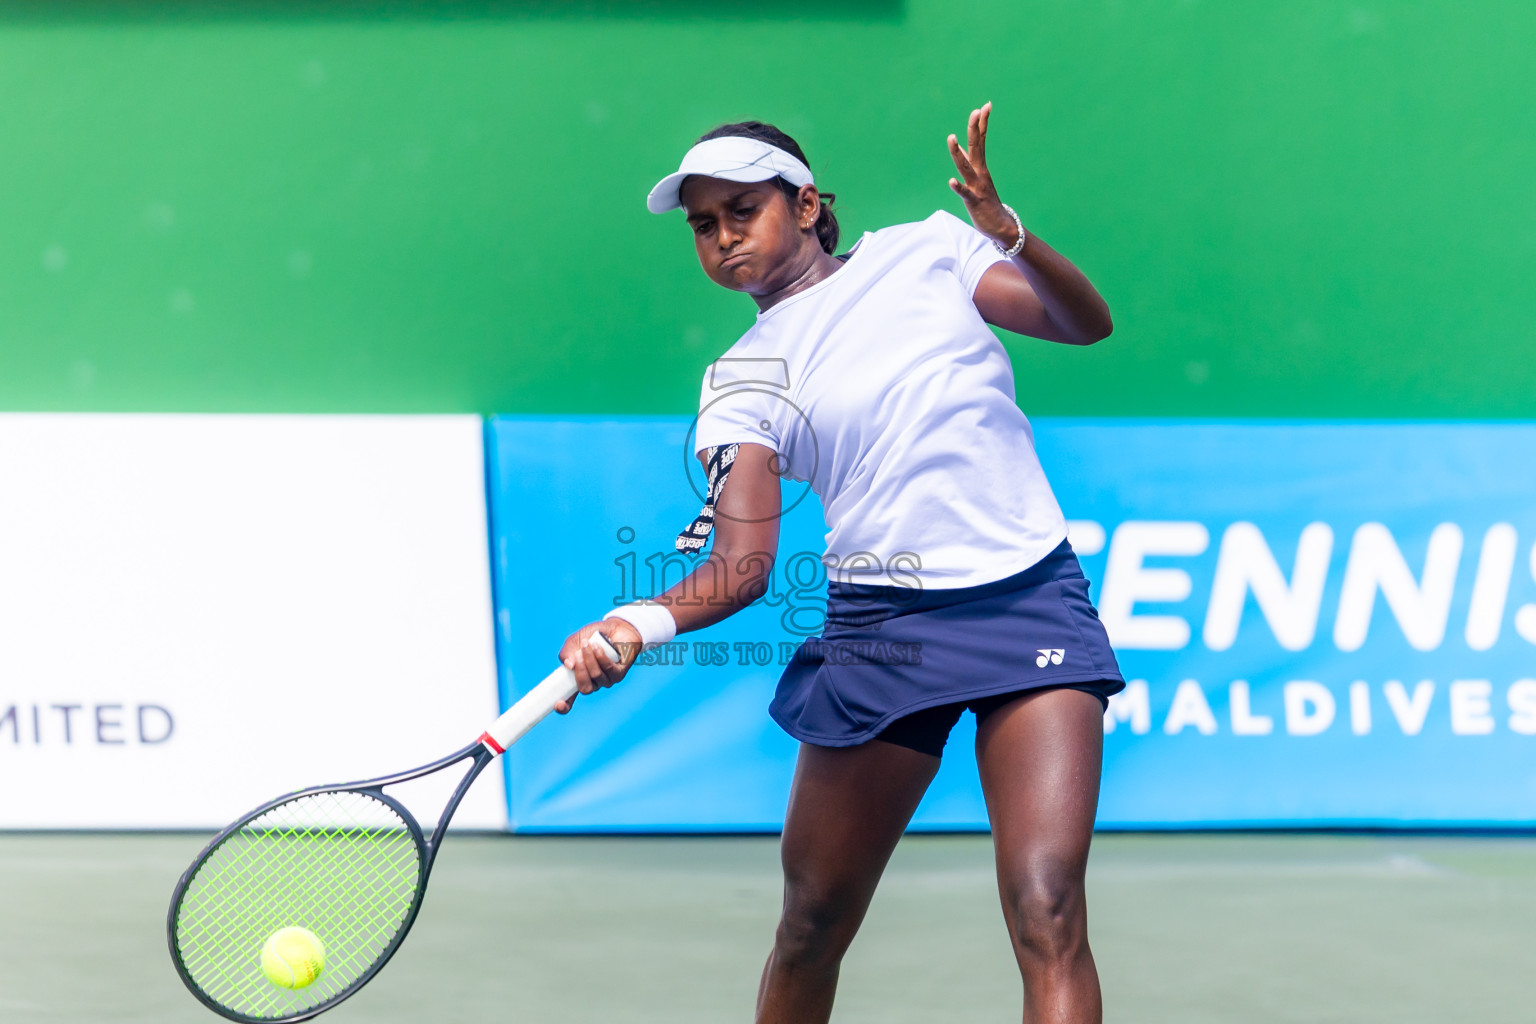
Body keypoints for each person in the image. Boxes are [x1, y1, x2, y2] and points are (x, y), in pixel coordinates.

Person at [555, 102, 1124, 1024]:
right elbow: (741, 566)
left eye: (744, 210)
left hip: (1029, 597)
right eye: (704, 224)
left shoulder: (929, 251)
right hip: (886, 631)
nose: (723, 238)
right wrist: (636, 622)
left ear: (810, 205)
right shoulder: (741, 378)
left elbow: (1082, 323)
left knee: (1048, 908)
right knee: (813, 923)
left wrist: (1008, 234)